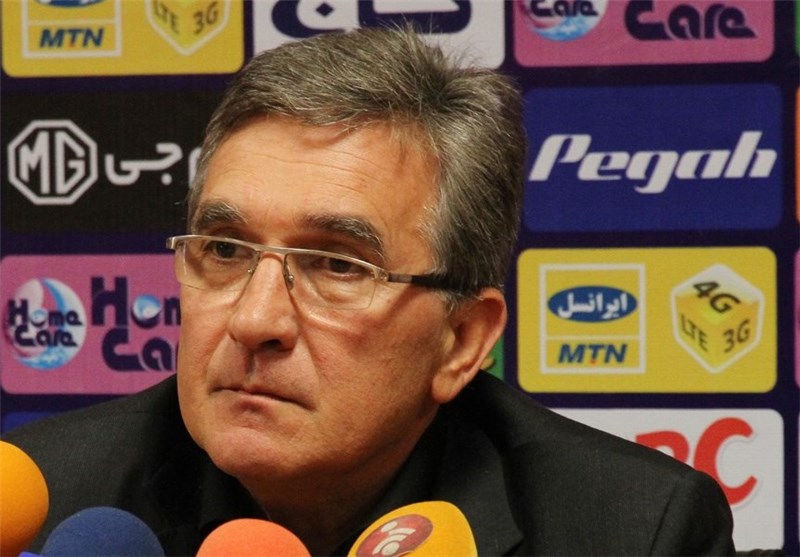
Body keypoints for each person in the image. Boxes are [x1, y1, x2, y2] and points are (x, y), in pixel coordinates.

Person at [4, 25, 735, 556]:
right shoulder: (41, 505)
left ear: (462, 341)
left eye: (338, 266)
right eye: (225, 249)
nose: (255, 319)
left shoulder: (632, 531)